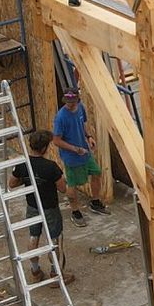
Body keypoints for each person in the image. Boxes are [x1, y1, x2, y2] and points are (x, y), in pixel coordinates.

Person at [9, 130, 69, 277]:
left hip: (32, 206)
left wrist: (27, 179)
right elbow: (62, 189)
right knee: (54, 240)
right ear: (44, 148)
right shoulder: (51, 167)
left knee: (33, 236)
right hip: (50, 208)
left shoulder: (23, 164)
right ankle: (56, 273)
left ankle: (35, 270)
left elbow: (12, 184)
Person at [51, 87, 106, 220]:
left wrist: (89, 137)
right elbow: (56, 141)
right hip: (71, 157)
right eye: (67, 101)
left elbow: (82, 124)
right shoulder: (61, 118)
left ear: (77, 100)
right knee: (72, 184)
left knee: (96, 172)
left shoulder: (80, 108)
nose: (70, 104)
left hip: (84, 152)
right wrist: (75, 149)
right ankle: (75, 212)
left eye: (72, 101)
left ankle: (95, 201)